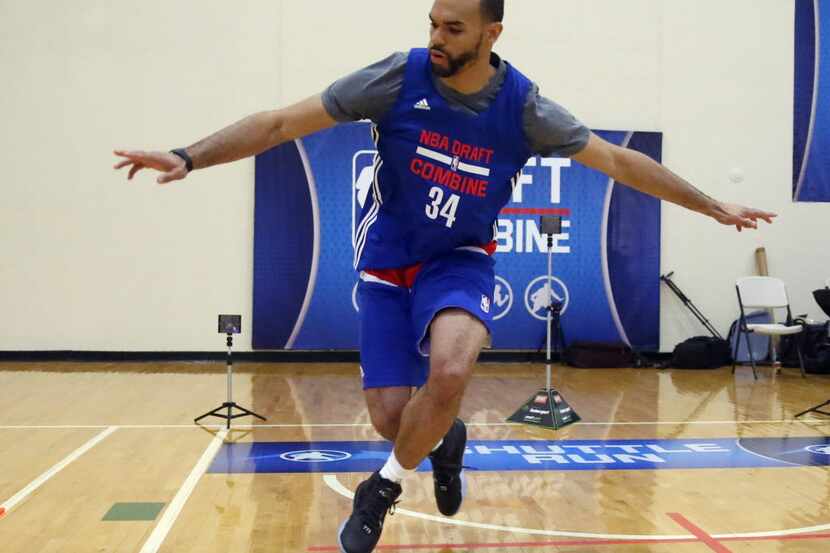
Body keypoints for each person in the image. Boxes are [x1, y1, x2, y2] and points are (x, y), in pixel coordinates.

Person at [114, 1, 776, 551]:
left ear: (492, 34)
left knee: (453, 370)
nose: (435, 36)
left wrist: (712, 204)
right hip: (386, 263)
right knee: (393, 418)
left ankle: (383, 489)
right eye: (432, 22)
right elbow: (283, 121)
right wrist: (187, 156)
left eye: (453, 27)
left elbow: (621, 163)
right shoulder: (395, 81)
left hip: (461, 260)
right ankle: (443, 440)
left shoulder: (523, 108)